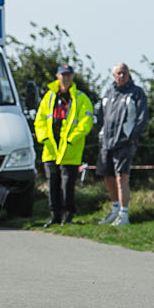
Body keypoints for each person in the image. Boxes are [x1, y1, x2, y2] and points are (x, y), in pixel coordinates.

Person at [34, 65, 94, 227]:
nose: (65, 78)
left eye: (68, 75)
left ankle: (69, 215)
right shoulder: (48, 97)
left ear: (72, 77)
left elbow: (86, 122)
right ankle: (54, 215)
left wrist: (72, 139)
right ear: (57, 76)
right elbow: (39, 120)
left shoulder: (81, 98)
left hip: (70, 149)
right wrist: (43, 138)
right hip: (51, 148)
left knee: (68, 184)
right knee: (52, 183)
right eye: (63, 75)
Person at [96, 63, 148, 226]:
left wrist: (133, 137)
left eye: (124, 73)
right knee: (108, 176)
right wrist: (100, 134)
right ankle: (115, 210)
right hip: (107, 142)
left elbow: (142, 117)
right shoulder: (108, 92)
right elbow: (100, 115)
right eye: (118, 73)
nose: (121, 76)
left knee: (121, 177)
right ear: (113, 75)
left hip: (124, 142)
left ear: (129, 74)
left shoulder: (136, 93)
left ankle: (124, 214)